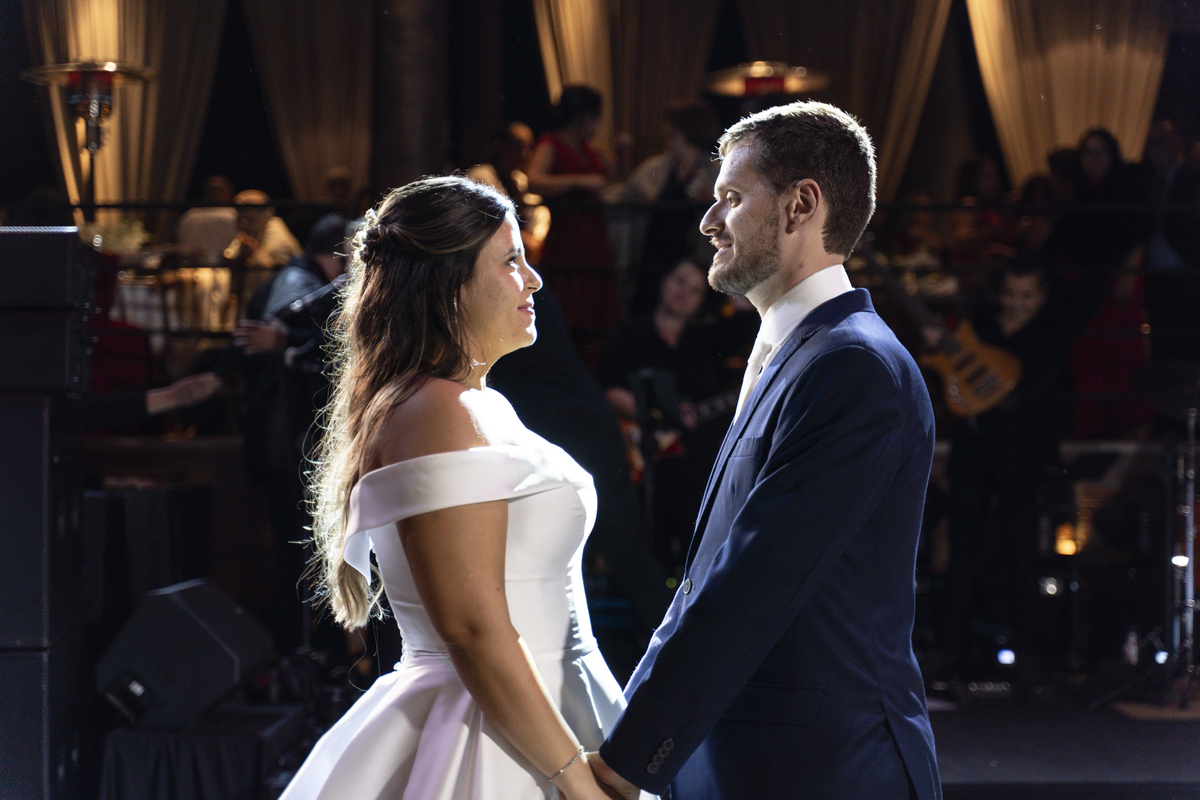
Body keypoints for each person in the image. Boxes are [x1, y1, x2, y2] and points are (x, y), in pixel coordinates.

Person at [590, 101, 942, 799]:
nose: (708, 221)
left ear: (799, 206)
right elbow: (702, 587)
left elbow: (752, 585)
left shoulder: (855, 367)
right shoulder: (806, 353)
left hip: (822, 771)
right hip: (755, 762)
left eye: (730, 197)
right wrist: (627, 737)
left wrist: (621, 767)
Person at [280, 176, 650, 799]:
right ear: (448, 284)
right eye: (511, 261)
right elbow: (472, 628)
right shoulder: (437, 411)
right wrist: (576, 785)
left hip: (537, 712)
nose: (534, 280)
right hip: (491, 730)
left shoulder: (474, 403)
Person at [594, 258, 729, 578]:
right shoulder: (629, 333)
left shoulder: (704, 342)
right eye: (680, 281)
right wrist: (650, 411)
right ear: (664, 281)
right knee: (648, 546)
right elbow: (604, 386)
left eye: (695, 290)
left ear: (701, 302)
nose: (684, 292)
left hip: (693, 468)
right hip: (642, 464)